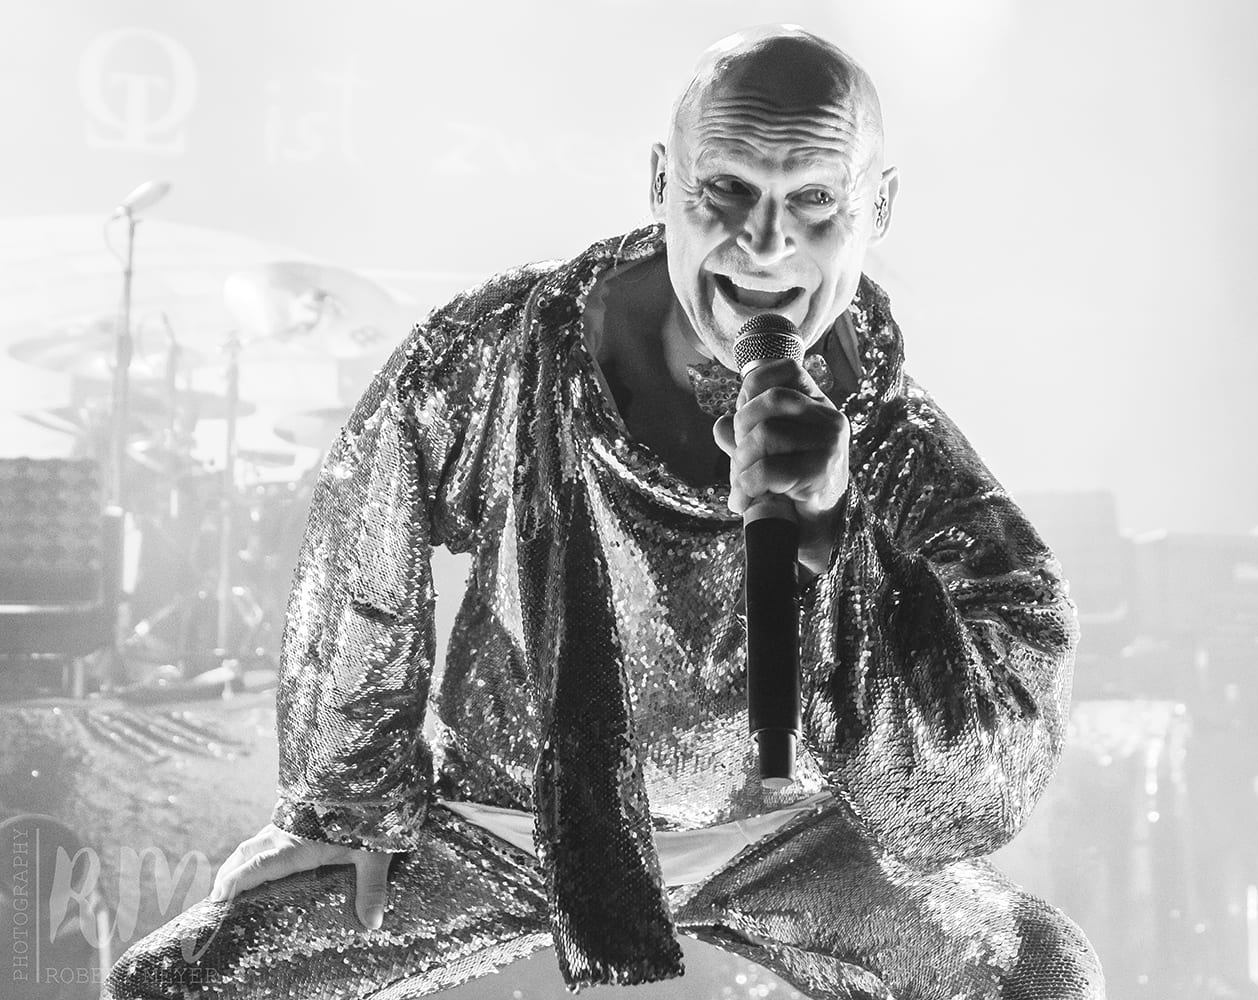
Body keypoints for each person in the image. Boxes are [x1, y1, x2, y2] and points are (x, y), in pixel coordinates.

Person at [104, 25, 1104, 999]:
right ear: (664, 183)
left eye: (813, 199)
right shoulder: (512, 351)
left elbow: (983, 764)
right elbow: (371, 510)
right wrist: (346, 803)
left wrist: (840, 539)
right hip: (508, 819)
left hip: (788, 836)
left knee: (1040, 976)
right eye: (728, 190)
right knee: (175, 985)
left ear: (877, 207)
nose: (766, 243)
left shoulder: (896, 440)